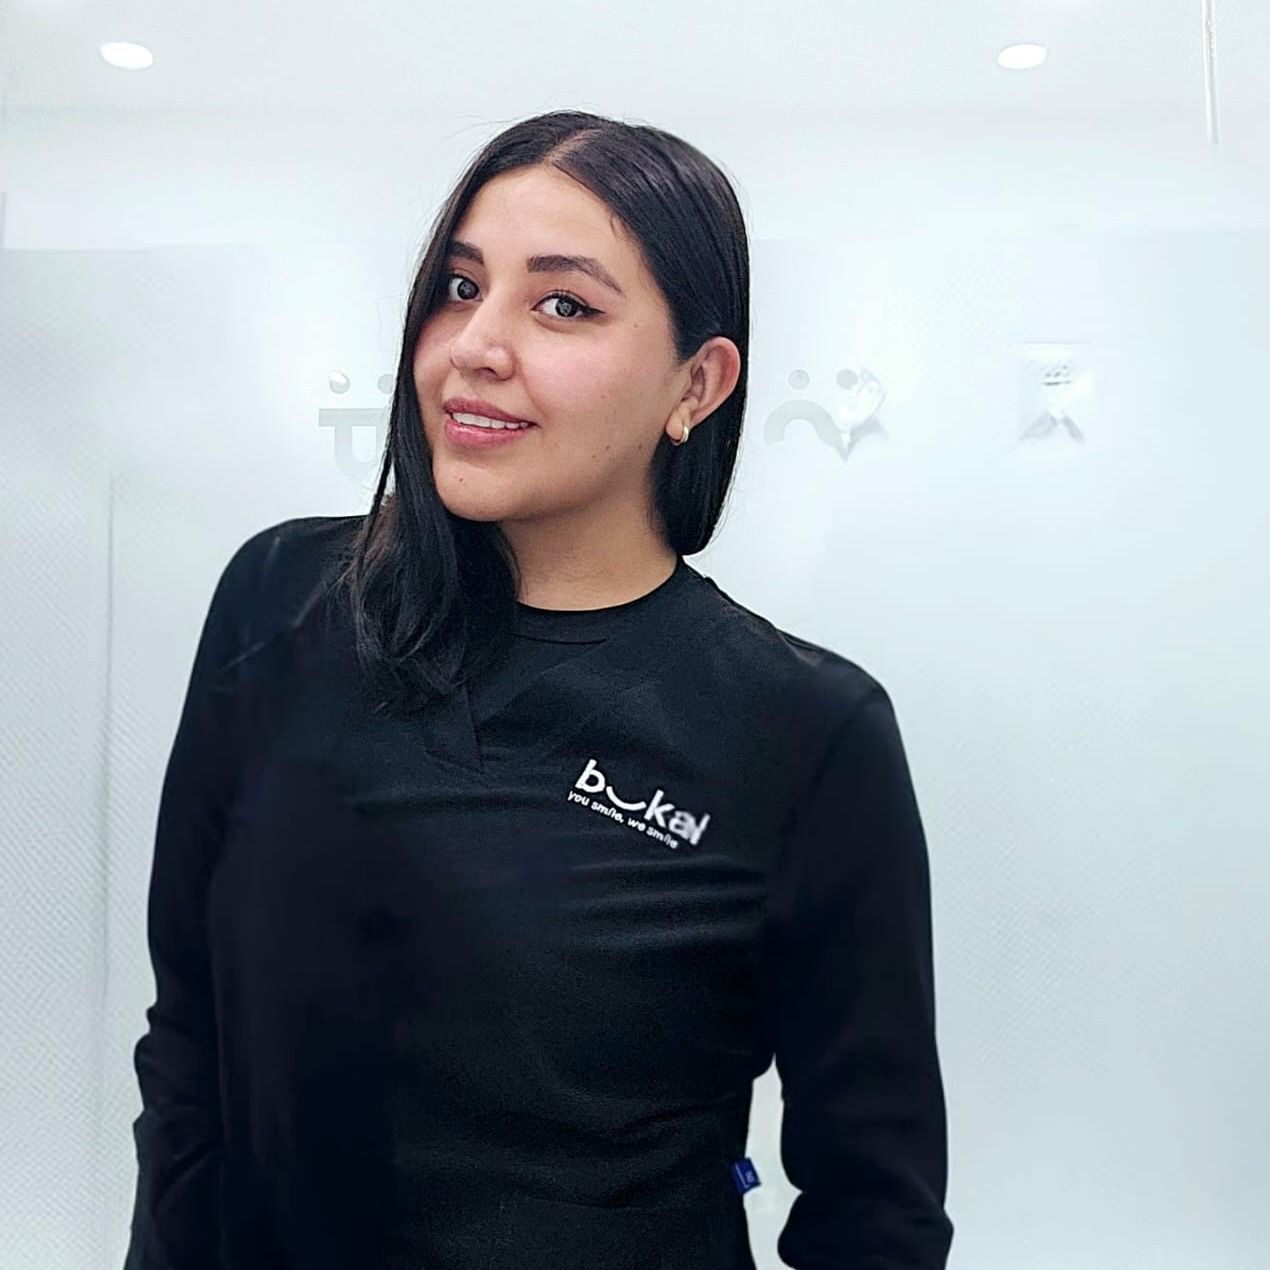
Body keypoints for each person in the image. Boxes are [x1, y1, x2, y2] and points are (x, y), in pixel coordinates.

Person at [123, 109, 954, 1270]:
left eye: (562, 304)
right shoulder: (282, 598)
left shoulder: (806, 730)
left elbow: (874, 1211)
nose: (476, 344)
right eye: (460, 288)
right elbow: (188, 1045)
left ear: (697, 384)